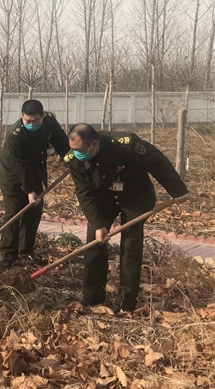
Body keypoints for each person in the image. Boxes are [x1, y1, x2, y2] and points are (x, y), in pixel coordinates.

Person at [65, 123, 188, 313]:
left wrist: (177, 190)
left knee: (130, 247)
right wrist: (99, 225)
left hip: (136, 197)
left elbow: (157, 162)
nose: (76, 154)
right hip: (103, 199)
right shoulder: (74, 159)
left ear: (94, 144)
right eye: (73, 149)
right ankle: (92, 296)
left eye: (80, 150)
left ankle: (126, 302)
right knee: (94, 243)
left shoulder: (126, 144)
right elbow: (84, 193)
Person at [0, 99, 69, 269]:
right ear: (22, 117)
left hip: (35, 171)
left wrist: (73, 162)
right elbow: (19, 166)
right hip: (12, 175)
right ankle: (8, 255)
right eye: (27, 121)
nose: (31, 124)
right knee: (14, 211)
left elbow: (62, 143)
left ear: (42, 116)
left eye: (35, 121)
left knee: (34, 211)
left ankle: (26, 249)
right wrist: (29, 191)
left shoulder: (50, 123)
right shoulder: (15, 136)